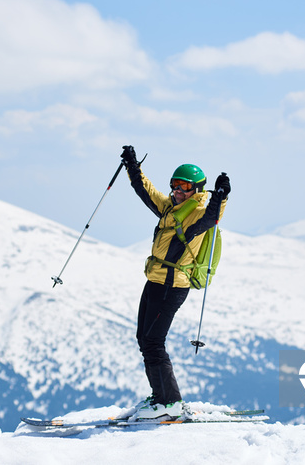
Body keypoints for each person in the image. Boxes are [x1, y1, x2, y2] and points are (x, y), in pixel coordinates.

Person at [120, 145, 230, 419]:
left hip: (172, 286)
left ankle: (169, 404)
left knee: (154, 342)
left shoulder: (198, 213)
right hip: (154, 280)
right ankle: (160, 399)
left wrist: (220, 196)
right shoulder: (171, 208)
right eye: (175, 186)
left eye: (185, 187)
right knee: (144, 340)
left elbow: (213, 216)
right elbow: (145, 191)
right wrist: (132, 166)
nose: (178, 191)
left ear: (197, 190)